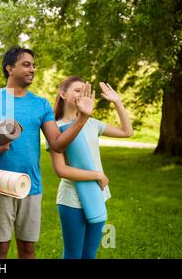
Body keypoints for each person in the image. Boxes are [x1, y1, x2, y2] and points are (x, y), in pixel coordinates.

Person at [0, 46, 94, 259]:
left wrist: (82, 118)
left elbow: (57, 144)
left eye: (34, 65)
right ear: (9, 68)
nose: (32, 69)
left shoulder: (41, 104)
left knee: (27, 249)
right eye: (26, 64)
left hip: (30, 187)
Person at [47, 76, 133, 259]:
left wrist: (117, 102)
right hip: (71, 200)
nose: (81, 94)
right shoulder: (55, 128)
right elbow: (60, 170)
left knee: (89, 255)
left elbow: (127, 132)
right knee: (73, 255)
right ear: (63, 94)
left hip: (96, 195)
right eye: (76, 90)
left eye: (84, 90)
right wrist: (96, 175)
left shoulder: (92, 124)